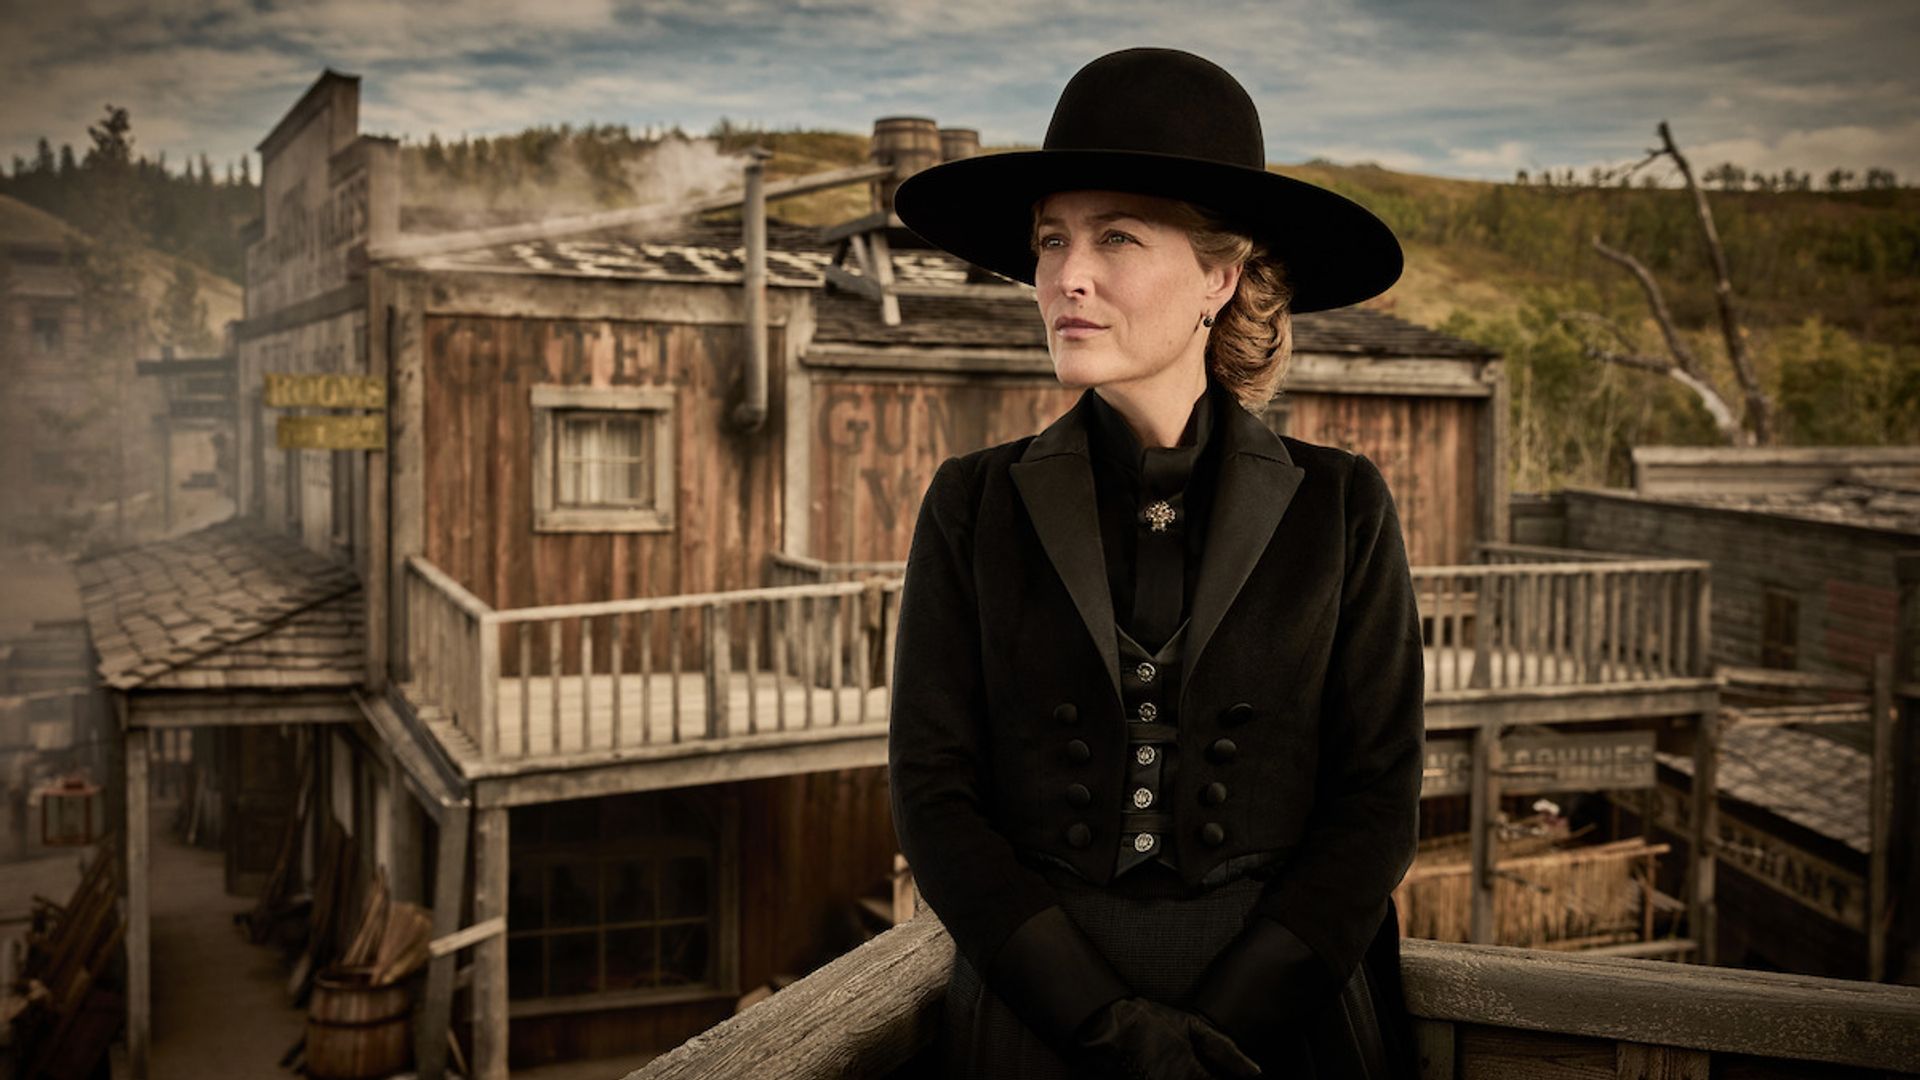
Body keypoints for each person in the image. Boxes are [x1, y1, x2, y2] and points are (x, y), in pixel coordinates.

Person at [886, 47, 1425, 1080]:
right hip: (1040, 1019)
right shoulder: (973, 504)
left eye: (1116, 237)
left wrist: (1223, 1037)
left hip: (1284, 1021)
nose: (1065, 276)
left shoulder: (1342, 505)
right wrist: (1102, 1028)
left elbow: (1378, 799)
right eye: (1050, 240)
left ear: (1220, 277)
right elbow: (933, 792)